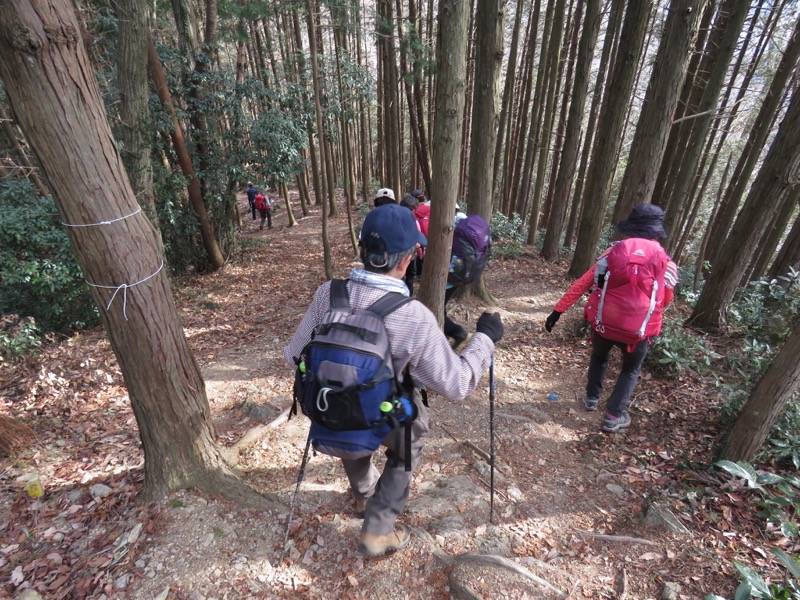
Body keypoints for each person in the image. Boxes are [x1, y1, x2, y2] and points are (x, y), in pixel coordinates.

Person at [284, 203, 503, 558]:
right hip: (381, 416)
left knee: (350, 410)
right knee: (410, 435)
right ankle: (378, 531)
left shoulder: (329, 293)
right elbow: (458, 383)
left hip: (328, 410)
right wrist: (485, 339)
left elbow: (294, 354)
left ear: (363, 251)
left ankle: (363, 493)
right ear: (406, 260)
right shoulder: (412, 316)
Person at [544, 204, 679, 433]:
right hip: (638, 332)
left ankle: (591, 399)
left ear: (630, 229)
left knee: (599, 357)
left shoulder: (611, 254)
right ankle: (613, 415)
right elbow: (665, 300)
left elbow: (583, 284)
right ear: (656, 232)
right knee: (630, 370)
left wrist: (557, 311)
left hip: (604, 324)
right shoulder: (666, 263)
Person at [399, 195, 424, 294]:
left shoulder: (395, 218)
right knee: (408, 276)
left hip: (404, 253)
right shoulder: (412, 221)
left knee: (406, 276)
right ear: (412, 209)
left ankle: (404, 297)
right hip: (407, 253)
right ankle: (406, 298)